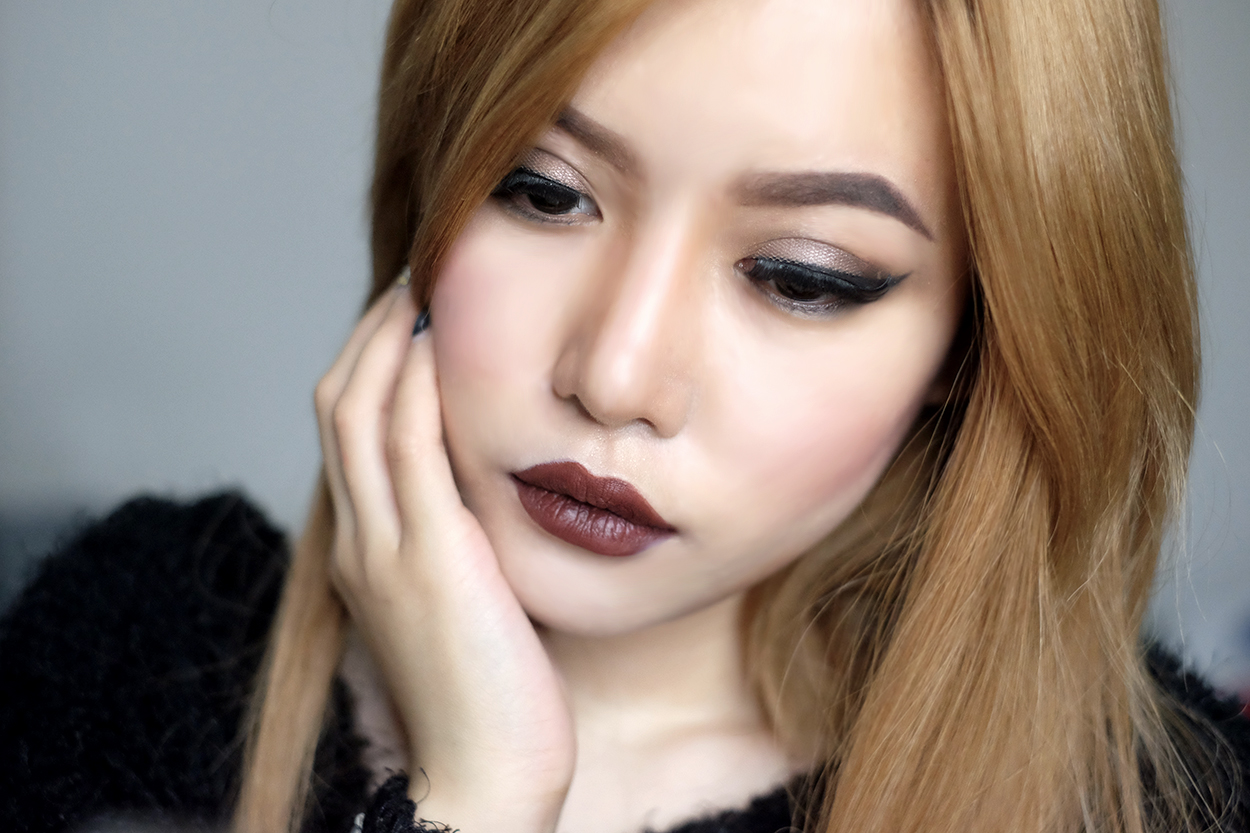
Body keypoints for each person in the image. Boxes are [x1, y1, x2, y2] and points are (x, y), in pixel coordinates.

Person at [1, 0, 1247, 832]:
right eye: (542, 191)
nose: (614, 375)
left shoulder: (1147, 801)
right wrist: (471, 798)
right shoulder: (133, 651)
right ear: (431, 174)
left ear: (972, 344)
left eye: (799, 275)